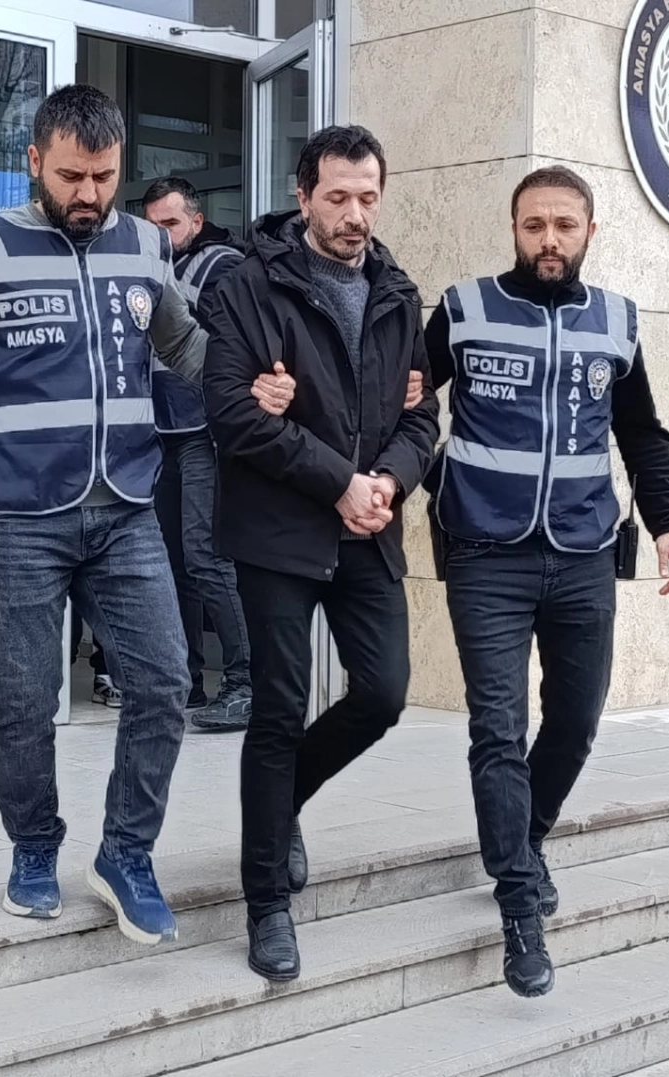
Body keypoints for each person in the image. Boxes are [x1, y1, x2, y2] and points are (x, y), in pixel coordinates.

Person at [0, 84, 206, 946]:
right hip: (12, 512)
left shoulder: (147, 244)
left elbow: (184, 345)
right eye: (72, 176)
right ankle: (34, 847)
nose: (89, 193)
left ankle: (126, 853)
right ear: (35, 160)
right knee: (23, 699)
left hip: (125, 508)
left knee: (164, 683)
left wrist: (261, 376)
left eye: (104, 177)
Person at [426, 165, 669, 997]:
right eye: (534, 224)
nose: (549, 239)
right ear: (514, 228)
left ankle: (524, 836)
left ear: (589, 232)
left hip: (582, 552)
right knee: (497, 729)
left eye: (564, 225)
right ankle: (519, 908)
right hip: (485, 554)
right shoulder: (463, 310)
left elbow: (641, 431)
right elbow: (401, 404)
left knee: (576, 720)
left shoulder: (615, 320)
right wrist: (424, 476)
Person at [200, 125, 440, 983]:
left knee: (383, 691)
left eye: (368, 197)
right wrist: (339, 479)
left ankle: (281, 802)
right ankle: (266, 902)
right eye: (337, 197)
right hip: (278, 532)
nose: (354, 215)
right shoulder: (247, 285)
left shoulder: (397, 291)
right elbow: (232, 412)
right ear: (303, 196)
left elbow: (421, 416)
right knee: (277, 708)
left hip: (367, 526)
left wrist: (388, 481)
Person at [143, 176, 252, 734]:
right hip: (162, 433)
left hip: (207, 432)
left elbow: (234, 344)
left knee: (206, 557)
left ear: (196, 221)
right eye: (153, 226)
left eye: (171, 223)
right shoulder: (149, 268)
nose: (162, 236)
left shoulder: (223, 266)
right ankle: (184, 681)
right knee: (170, 562)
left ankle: (247, 685)